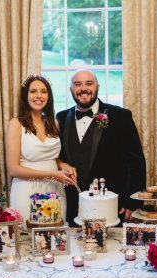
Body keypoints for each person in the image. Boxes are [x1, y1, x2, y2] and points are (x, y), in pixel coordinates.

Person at [56, 69, 146, 226]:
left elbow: (136, 161)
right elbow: (56, 156)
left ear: (98, 87)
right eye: (78, 84)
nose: (83, 88)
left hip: (112, 207)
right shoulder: (61, 118)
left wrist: (132, 202)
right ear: (71, 90)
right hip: (71, 207)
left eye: (89, 83)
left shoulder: (120, 116)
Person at [5, 75, 76, 228]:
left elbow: (51, 157)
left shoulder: (54, 123)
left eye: (43, 91)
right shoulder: (16, 124)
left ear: (48, 96)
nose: (39, 96)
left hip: (55, 190)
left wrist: (62, 164)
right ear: (26, 96)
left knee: (55, 239)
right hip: (26, 190)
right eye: (33, 91)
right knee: (29, 239)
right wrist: (52, 174)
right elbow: (13, 169)